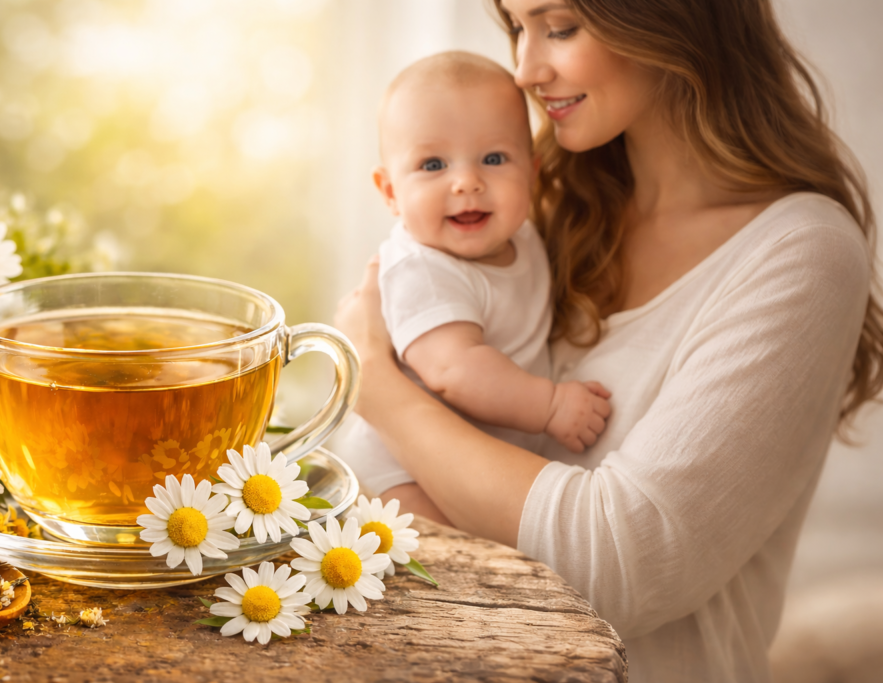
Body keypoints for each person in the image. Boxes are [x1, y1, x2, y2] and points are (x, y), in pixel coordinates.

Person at [333, 0, 883, 681]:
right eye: (516, 29)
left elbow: (617, 570)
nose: (527, 70)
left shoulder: (801, 251)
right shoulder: (545, 213)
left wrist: (377, 389)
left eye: (559, 27)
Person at [338, 51, 610, 523]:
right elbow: (455, 369)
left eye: (493, 158)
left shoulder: (523, 237)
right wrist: (550, 405)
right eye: (432, 164)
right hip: (398, 470)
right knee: (446, 558)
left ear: (532, 172)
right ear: (390, 193)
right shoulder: (421, 268)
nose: (467, 182)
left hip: (473, 460)